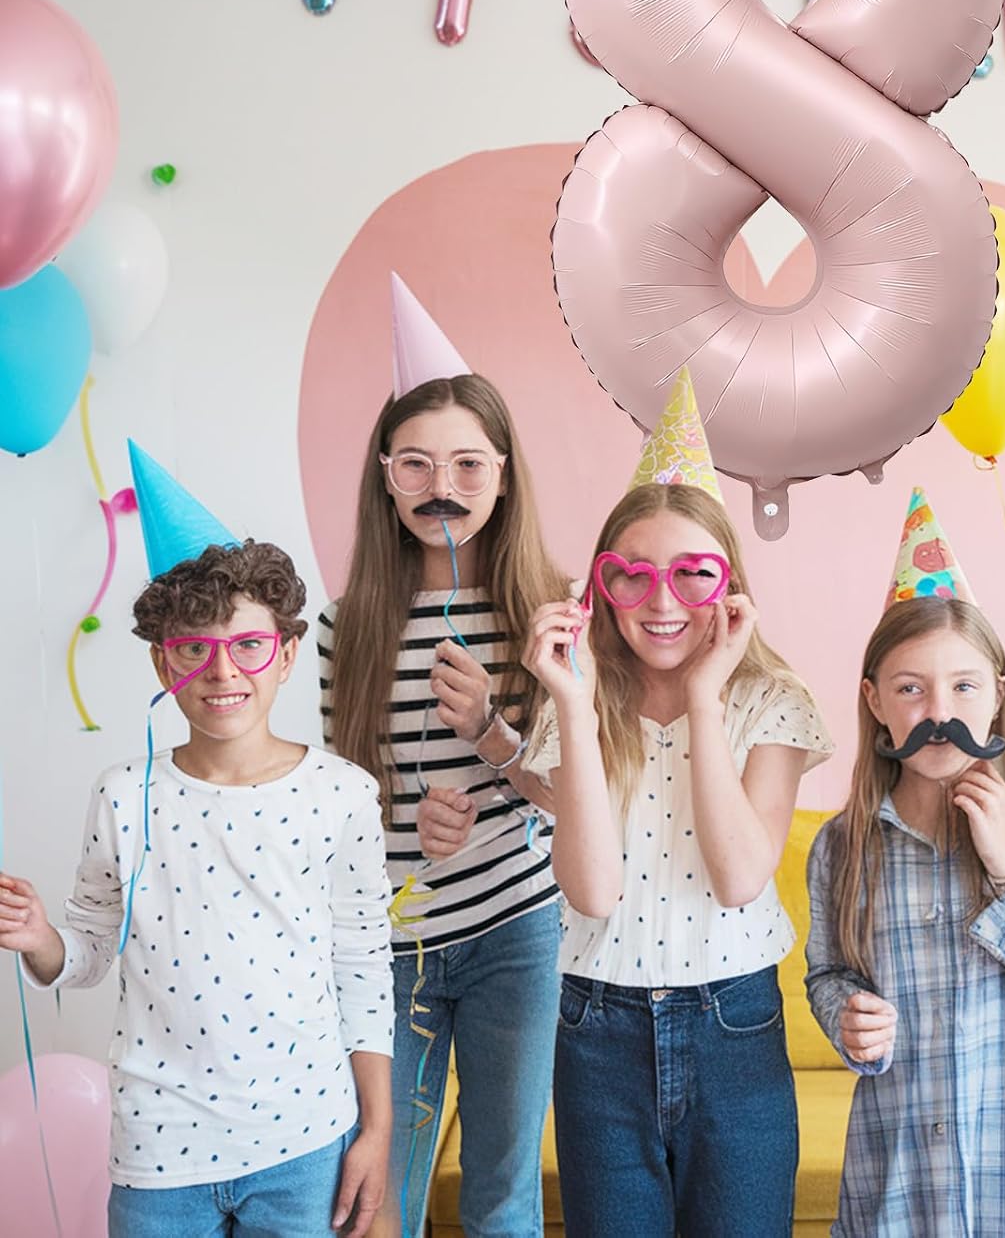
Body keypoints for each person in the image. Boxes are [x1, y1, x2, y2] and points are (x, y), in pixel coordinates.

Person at [0, 443, 392, 1238]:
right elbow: (89, 954)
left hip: (305, 1142)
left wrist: (376, 1130)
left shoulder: (342, 794)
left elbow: (363, 971)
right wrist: (41, 939)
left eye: (247, 645)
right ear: (162, 661)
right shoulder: (123, 795)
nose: (222, 672)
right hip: (159, 1153)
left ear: (285, 654)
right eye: (194, 648)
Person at [520, 368, 832, 1238]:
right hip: (597, 1030)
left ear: (728, 586)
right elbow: (592, 891)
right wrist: (574, 706)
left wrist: (704, 698)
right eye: (633, 577)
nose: (662, 603)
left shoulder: (772, 703)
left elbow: (739, 877)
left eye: (692, 575)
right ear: (600, 589)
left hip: (734, 1025)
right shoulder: (575, 702)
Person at [318, 275, 568, 1238]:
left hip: (517, 930)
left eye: (468, 464)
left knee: (503, 1192)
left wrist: (493, 737)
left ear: (503, 474)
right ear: (385, 478)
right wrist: (406, 822)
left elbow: (575, 798)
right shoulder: (347, 625)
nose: (443, 488)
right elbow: (342, 799)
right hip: (392, 946)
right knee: (380, 1192)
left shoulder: (546, 611)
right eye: (416, 465)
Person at [804, 488, 1005, 1237]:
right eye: (911, 689)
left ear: (997, 696)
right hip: (899, 1181)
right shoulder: (842, 845)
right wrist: (845, 1015)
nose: (938, 713)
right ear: (875, 701)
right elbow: (827, 974)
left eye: (963, 686)